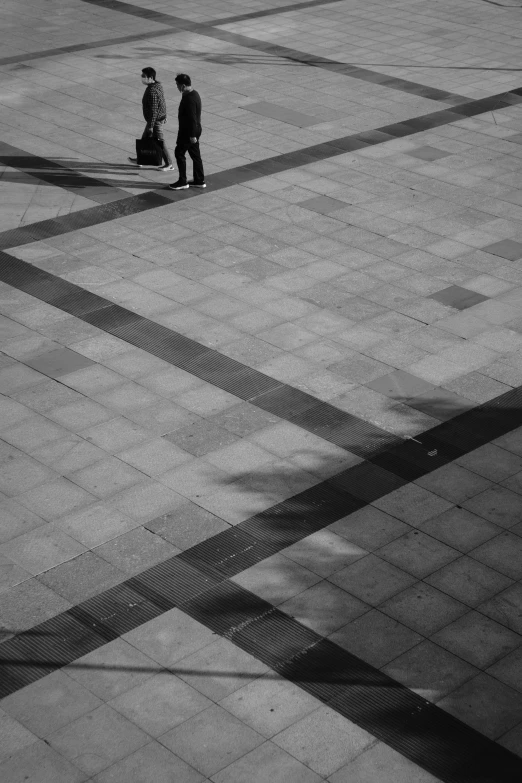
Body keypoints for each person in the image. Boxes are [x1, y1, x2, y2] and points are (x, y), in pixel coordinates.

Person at [128, 67, 174, 171]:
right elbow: (162, 102)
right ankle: (141, 159)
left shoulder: (152, 91)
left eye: (144, 76)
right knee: (145, 139)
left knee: (159, 141)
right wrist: (164, 115)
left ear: (151, 77)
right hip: (156, 119)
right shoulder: (158, 86)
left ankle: (169, 164)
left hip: (155, 121)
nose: (142, 78)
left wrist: (151, 126)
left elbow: (154, 110)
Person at [169, 73, 205, 190]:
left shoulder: (189, 98)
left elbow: (192, 118)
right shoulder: (194, 93)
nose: (177, 87)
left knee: (179, 153)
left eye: (177, 85)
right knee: (195, 155)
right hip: (194, 130)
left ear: (183, 85)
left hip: (188, 132)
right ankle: (199, 180)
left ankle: (182, 181)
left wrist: (192, 135)